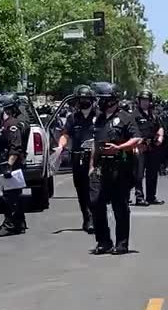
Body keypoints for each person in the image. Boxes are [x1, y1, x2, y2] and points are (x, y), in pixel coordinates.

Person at [89, 82, 141, 255]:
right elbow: (95, 144)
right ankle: (103, 241)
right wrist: (91, 166)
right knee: (96, 203)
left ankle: (121, 243)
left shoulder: (126, 117)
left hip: (120, 168)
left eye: (102, 99)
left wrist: (119, 148)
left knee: (120, 206)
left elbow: (137, 139)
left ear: (111, 100)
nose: (99, 102)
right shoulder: (99, 118)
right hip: (101, 168)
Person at [58, 85, 96, 233]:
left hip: (95, 158)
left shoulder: (98, 116)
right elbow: (65, 134)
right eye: (81, 99)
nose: (84, 101)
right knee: (81, 190)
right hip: (78, 158)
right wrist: (61, 146)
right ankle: (86, 217)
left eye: (87, 98)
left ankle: (94, 218)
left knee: (94, 188)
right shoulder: (72, 117)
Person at [0, 93, 30, 237]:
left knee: (10, 196)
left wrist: (9, 165)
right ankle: (19, 223)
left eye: (6, 109)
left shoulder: (14, 124)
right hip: (12, 161)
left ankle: (10, 225)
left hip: (12, 163)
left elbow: (15, 147)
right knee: (14, 194)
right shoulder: (13, 121)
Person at [132, 89, 164, 206]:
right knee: (139, 174)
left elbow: (160, 127)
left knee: (152, 173)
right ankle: (139, 197)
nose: (145, 102)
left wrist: (160, 137)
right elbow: (131, 131)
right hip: (140, 147)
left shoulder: (153, 114)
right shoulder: (134, 115)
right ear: (138, 101)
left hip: (153, 147)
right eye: (143, 100)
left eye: (147, 100)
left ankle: (151, 197)